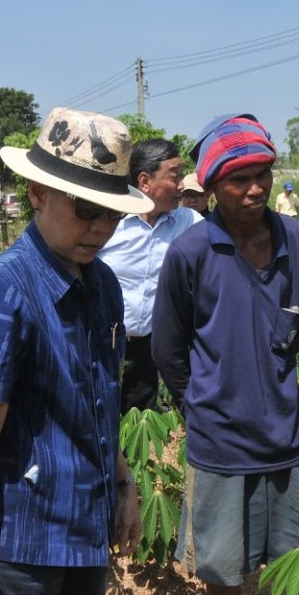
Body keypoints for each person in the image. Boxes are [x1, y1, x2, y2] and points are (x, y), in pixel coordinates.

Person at [0, 107, 148, 595]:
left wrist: (122, 485)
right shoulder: (2, 290)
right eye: (85, 209)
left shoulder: (102, 285)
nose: (100, 229)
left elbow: (95, 404)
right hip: (17, 550)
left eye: (112, 214)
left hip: (82, 537)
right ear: (37, 193)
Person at [152, 114, 299, 595]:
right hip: (220, 440)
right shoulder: (190, 251)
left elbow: (293, 323)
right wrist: (199, 405)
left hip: (289, 430)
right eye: (238, 180)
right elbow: (168, 348)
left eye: (261, 175)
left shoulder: (293, 236)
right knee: (223, 571)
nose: (254, 189)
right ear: (215, 185)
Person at [99, 139, 202, 413]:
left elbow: (236, 240)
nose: (182, 185)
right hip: (101, 343)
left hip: (148, 348)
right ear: (145, 181)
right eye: (175, 176)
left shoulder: (188, 221)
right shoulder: (111, 221)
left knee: (138, 422)